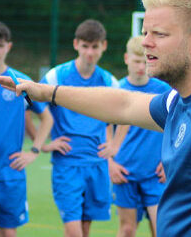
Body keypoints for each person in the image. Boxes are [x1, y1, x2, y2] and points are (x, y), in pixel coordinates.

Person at [0, 0, 191, 236]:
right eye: (145, 32)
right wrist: (48, 92)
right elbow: (123, 105)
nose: (146, 42)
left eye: (159, 34)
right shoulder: (180, 100)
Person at [0, 22, 53, 237]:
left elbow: (46, 118)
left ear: (9, 47)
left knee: (9, 233)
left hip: (10, 172)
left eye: (0, 45)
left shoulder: (20, 81)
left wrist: (33, 151)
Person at [39, 19, 118, 237]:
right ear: (76, 44)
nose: (89, 53)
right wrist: (43, 145)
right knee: (74, 231)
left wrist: (114, 145)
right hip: (67, 164)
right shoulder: (56, 76)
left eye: (95, 47)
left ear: (104, 46)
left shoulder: (109, 81)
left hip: (96, 164)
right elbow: (30, 107)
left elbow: (123, 116)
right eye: (85, 46)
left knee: (84, 229)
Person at [98, 35, 169, 237]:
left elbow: (177, 128)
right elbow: (103, 129)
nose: (141, 66)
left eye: (145, 60)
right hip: (124, 173)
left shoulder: (163, 90)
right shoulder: (115, 90)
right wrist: (110, 163)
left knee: (161, 229)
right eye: (137, 61)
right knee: (127, 230)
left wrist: (169, 160)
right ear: (126, 58)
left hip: (156, 173)